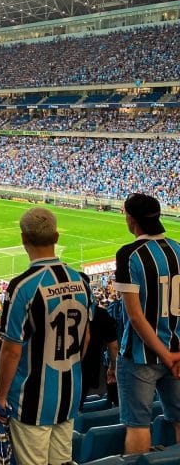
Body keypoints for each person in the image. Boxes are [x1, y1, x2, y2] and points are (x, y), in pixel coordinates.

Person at [0, 207, 92, 465]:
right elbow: (86, 337)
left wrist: (0, 398)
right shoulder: (80, 280)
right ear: (56, 237)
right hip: (69, 394)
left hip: (31, 401)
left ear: (23, 238)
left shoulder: (23, 286)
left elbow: (11, 349)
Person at [114, 193, 180, 454]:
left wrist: (163, 354)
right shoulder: (178, 250)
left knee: (138, 425)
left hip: (141, 357)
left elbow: (135, 316)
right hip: (177, 355)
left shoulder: (130, 255)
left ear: (131, 219)